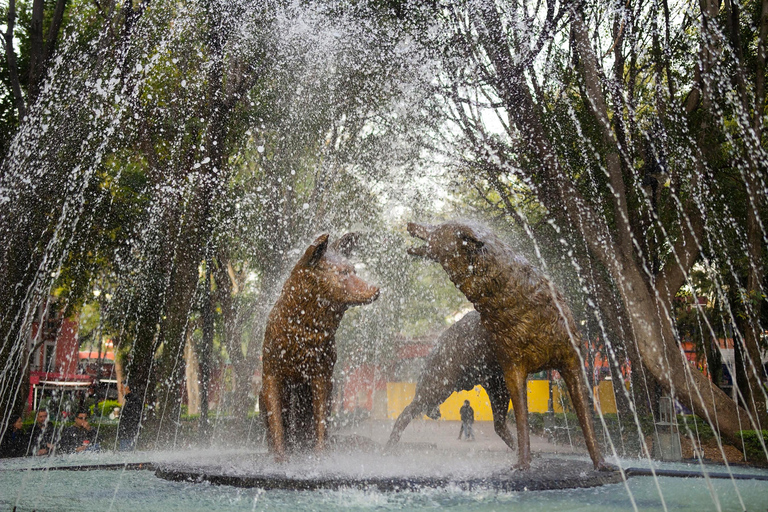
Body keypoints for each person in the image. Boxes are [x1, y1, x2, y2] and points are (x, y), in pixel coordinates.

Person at [118, 383, 142, 451]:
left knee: (125, 454)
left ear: (127, 388)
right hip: (128, 434)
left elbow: (133, 417)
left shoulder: (133, 400)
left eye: (122, 388)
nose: (120, 390)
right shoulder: (130, 399)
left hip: (128, 435)